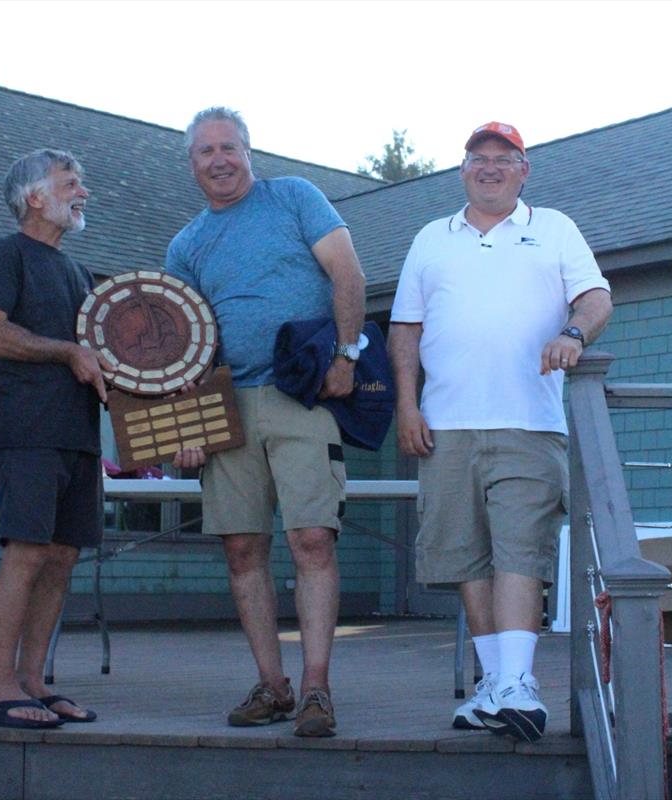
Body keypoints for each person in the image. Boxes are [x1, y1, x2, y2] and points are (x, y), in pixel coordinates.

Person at [388, 122, 612, 743]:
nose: (490, 168)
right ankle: (495, 685)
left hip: (528, 422)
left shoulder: (556, 228)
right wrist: (407, 406)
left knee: (521, 547)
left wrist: (572, 335)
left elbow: (596, 298)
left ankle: (518, 683)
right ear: (463, 170)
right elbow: (404, 329)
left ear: (523, 171)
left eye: (503, 159)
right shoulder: (431, 238)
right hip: (446, 425)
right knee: (467, 555)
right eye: (478, 159)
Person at [166, 107, 366, 737]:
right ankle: (272, 686)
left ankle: (315, 689)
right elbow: (180, 344)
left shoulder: (295, 198)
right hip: (227, 402)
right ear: (192, 164)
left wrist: (345, 352)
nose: (219, 159)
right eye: (206, 151)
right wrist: (186, 427)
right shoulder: (186, 244)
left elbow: (349, 273)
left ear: (250, 153)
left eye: (230, 146)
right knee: (242, 546)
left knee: (312, 539)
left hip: (302, 392)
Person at [0, 149, 113, 728]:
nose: (83, 192)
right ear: (35, 197)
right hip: (27, 433)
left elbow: (103, 354)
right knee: (25, 554)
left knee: (61, 558)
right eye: (70, 183)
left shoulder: (78, 273)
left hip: (79, 437)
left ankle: (31, 682)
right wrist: (67, 350)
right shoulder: (8, 254)